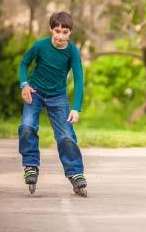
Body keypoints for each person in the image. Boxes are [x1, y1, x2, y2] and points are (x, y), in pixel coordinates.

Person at [18, 11, 87, 197]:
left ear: (70, 33)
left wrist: (76, 107)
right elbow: (24, 63)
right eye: (57, 31)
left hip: (58, 97)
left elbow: (79, 79)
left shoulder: (72, 51)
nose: (60, 36)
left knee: (66, 134)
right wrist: (24, 84)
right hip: (35, 92)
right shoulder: (40, 46)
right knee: (27, 126)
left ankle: (75, 173)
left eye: (65, 32)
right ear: (51, 30)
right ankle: (31, 165)